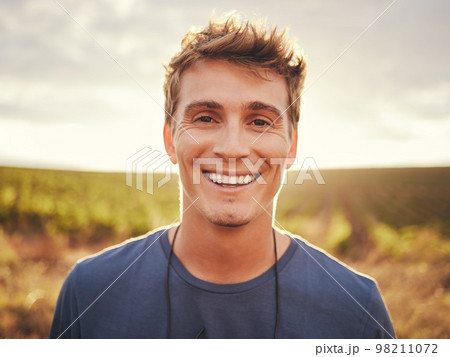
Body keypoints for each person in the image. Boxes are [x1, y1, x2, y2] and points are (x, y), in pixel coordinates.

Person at [50, 13, 395, 339]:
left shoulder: (356, 310)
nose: (232, 149)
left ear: (292, 147)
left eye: (260, 122)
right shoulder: (89, 292)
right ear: (170, 140)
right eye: (205, 118)